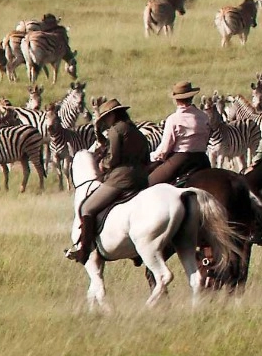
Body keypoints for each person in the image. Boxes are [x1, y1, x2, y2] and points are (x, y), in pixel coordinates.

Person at [65, 98, 151, 263]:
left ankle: (84, 250)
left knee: (87, 207)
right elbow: (147, 158)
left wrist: (102, 165)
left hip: (121, 179)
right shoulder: (137, 131)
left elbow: (112, 159)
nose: (105, 121)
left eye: (106, 118)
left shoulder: (115, 131)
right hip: (142, 179)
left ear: (112, 115)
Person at [147, 81, 212, 186]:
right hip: (202, 159)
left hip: (181, 161)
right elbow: (207, 138)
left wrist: (152, 157)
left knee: (148, 183)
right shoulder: (204, 116)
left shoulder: (173, 119)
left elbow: (164, 150)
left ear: (176, 100)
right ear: (191, 97)